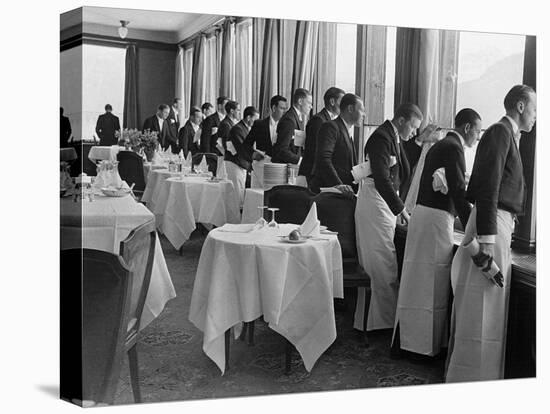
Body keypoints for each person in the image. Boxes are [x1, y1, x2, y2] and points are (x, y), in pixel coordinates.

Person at [445, 85, 536, 382]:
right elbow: (489, 188)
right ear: (520, 107)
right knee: (482, 302)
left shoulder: (508, 136)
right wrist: (486, 241)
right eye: (534, 109)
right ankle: (471, 378)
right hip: (492, 225)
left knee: (490, 305)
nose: (536, 116)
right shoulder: (499, 133)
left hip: (498, 223)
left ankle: (480, 376)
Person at [391, 108, 481, 358]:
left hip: (427, 218)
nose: (478, 136)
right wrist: (475, 226)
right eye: (477, 130)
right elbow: (458, 191)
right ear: (466, 128)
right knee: (430, 283)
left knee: (420, 281)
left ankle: (414, 343)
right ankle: (420, 348)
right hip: (435, 220)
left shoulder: (444, 145)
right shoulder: (453, 148)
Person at [354, 103, 422, 332]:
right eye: (413, 128)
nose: (413, 134)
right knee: (382, 264)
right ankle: (382, 324)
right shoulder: (381, 138)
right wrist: (401, 209)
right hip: (375, 203)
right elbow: (383, 178)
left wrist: (421, 143)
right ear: (401, 121)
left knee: (383, 263)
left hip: (381, 204)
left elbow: (403, 163)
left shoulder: (391, 136)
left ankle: (376, 322)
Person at [309, 93, 364, 196]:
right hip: (329, 194)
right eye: (362, 110)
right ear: (350, 109)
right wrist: (338, 185)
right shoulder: (330, 127)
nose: (364, 115)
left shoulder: (347, 130)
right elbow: (323, 159)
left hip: (343, 194)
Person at [299, 87, 345, 184]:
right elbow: (316, 150)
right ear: (332, 101)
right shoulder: (318, 121)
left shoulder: (331, 121)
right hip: (312, 174)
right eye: (342, 102)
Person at [226, 106, 260, 204]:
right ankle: (236, 218)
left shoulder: (246, 128)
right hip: (235, 163)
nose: (256, 122)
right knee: (237, 193)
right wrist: (254, 155)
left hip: (242, 164)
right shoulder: (237, 129)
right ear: (248, 118)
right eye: (255, 119)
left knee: (240, 191)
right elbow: (242, 149)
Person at [272, 88, 312, 164]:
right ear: (300, 101)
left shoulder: (296, 118)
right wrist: (300, 161)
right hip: (283, 168)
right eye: (309, 103)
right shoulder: (289, 120)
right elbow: (282, 150)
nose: (311, 107)